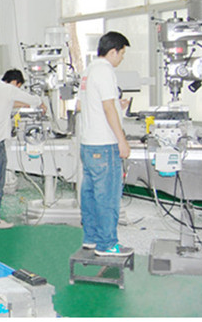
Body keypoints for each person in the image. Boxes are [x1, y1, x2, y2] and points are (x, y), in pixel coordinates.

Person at [77, 31, 133, 256]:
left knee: (90, 194)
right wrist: (122, 141)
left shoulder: (89, 71)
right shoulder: (105, 71)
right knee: (107, 196)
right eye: (122, 54)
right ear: (113, 52)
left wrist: (118, 105)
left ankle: (91, 238)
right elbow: (108, 108)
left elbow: (85, 105)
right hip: (105, 144)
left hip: (88, 144)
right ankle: (108, 244)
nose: (122, 58)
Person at [0, 69, 45, 229]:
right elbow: (32, 99)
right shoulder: (9, 89)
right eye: (18, 86)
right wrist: (40, 102)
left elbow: (8, 103)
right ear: (15, 82)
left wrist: (25, 104)